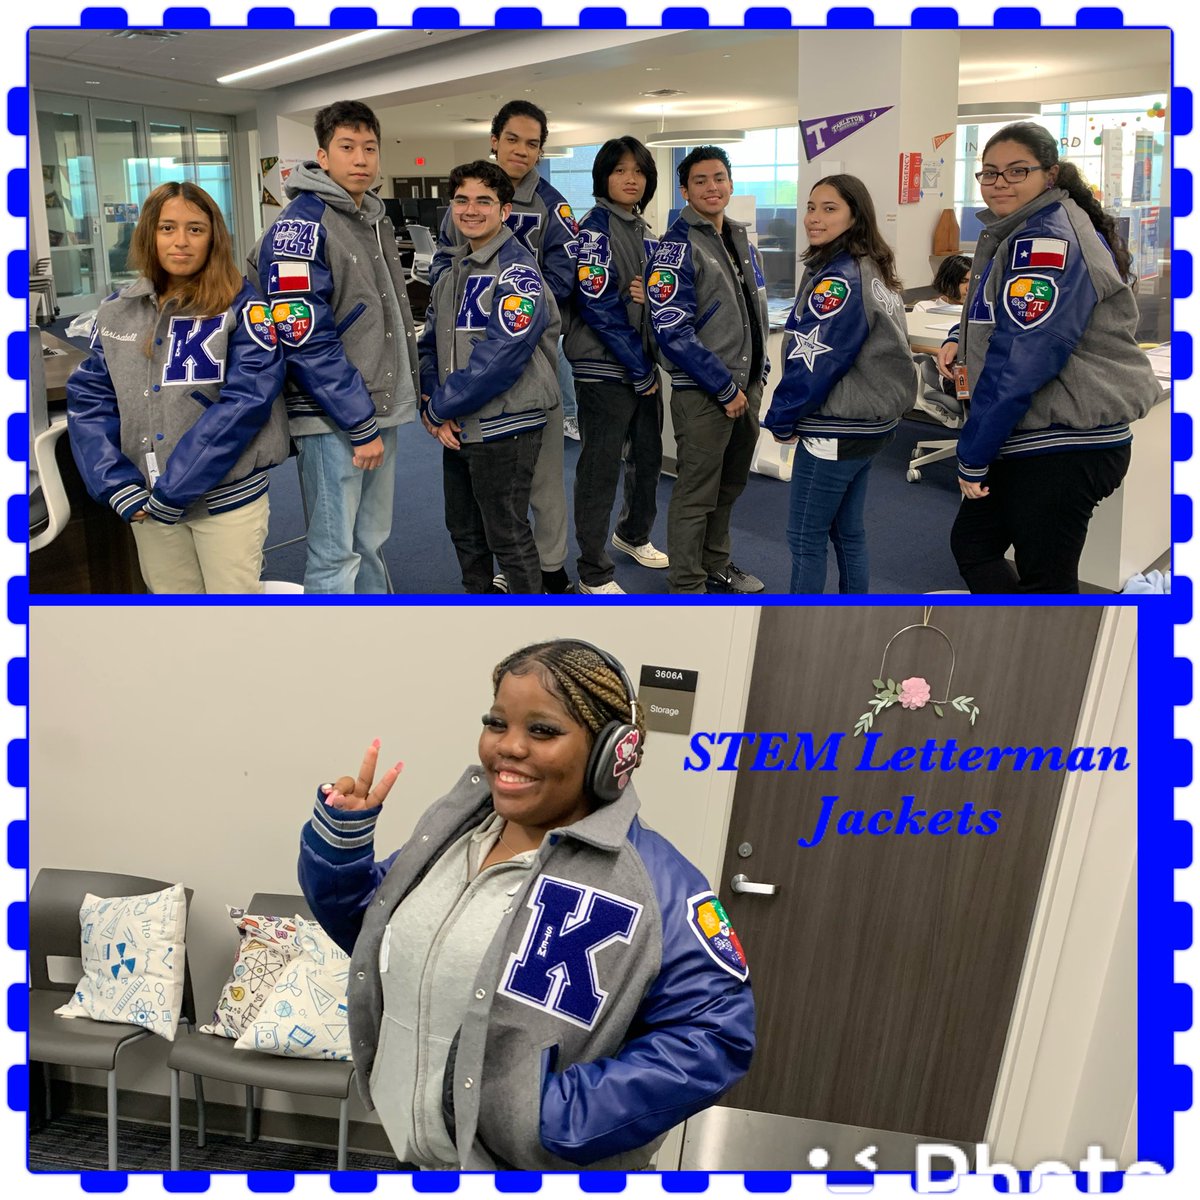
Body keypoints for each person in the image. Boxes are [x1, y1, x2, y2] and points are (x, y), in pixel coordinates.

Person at [298, 639, 755, 1170]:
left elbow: (714, 1035)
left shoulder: (659, 883)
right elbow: (377, 933)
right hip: (419, 1159)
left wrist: (547, 1117)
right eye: (497, 723)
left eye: (543, 730)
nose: (508, 747)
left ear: (613, 752)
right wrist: (342, 843)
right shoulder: (454, 834)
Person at [936, 121, 1160, 593]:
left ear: (1050, 174)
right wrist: (962, 334)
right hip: (1043, 432)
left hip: (1061, 443)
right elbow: (1007, 311)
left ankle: (1030, 655)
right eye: (990, 173)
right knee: (974, 545)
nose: (1000, 183)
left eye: (1018, 171)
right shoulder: (1024, 228)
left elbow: (1024, 357)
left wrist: (972, 455)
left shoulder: (1046, 242)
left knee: (1046, 582)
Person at [67, 181, 289, 593]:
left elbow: (247, 402)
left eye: (195, 229)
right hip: (148, 501)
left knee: (234, 625)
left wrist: (177, 488)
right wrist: (115, 483)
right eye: (167, 228)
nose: (181, 242)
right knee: (174, 616)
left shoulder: (243, 306)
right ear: (149, 234)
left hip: (225, 500)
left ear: (214, 237)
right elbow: (90, 401)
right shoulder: (117, 311)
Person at [251, 100, 420, 594]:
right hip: (334, 416)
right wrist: (357, 421)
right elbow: (304, 337)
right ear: (322, 156)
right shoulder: (300, 227)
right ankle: (330, 659)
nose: (361, 159)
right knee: (333, 553)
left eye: (370, 148)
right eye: (347, 147)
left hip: (376, 404)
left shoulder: (371, 217)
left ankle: (371, 639)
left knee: (369, 538)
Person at [431, 100, 578, 594]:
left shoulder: (531, 243)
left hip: (515, 399)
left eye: (532, 143)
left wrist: (441, 404)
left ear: (505, 210)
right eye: (462, 202)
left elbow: (504, 352)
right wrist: (439, 405)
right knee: (468, 526)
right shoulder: (455, 257)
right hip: (463, 409)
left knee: (523, 510)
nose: (471, 210)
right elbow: (435, 331)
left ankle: (546, 584)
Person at [762, 175, 914, 594]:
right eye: (811, 207)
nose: (814, 217)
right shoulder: (871, 267)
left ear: (854, 215)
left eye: (829, 209)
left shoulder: (839, 280)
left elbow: (815, 361)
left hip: (837, 428)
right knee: (848, 533)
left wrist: (782, 418)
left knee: (805, 538)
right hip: (871, 423)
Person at [648, 146, 769, 595]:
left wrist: (759, 373)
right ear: (685, 191)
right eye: (700, 180)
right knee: (696, 493)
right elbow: (672, 330)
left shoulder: (739, 239)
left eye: (719, 177)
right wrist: (722, 387)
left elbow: (752, 311)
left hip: (746, 387)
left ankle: (715, 564)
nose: (712, 187)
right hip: (706, 394)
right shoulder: (675, 247)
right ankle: (687, 583)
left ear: (731, 183)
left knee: (730, 485)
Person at [564, 136, 668, 594]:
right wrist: (638, 369)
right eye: (621, 170)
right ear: (603, 176)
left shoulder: (643, 228)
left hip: (643, 361)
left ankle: (632, 535)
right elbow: (597, 306)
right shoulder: (594, 228)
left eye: (639, 171)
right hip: (605, 368)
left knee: (647, 458)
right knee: (600, 469)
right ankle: (592, 569)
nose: (631, 179)